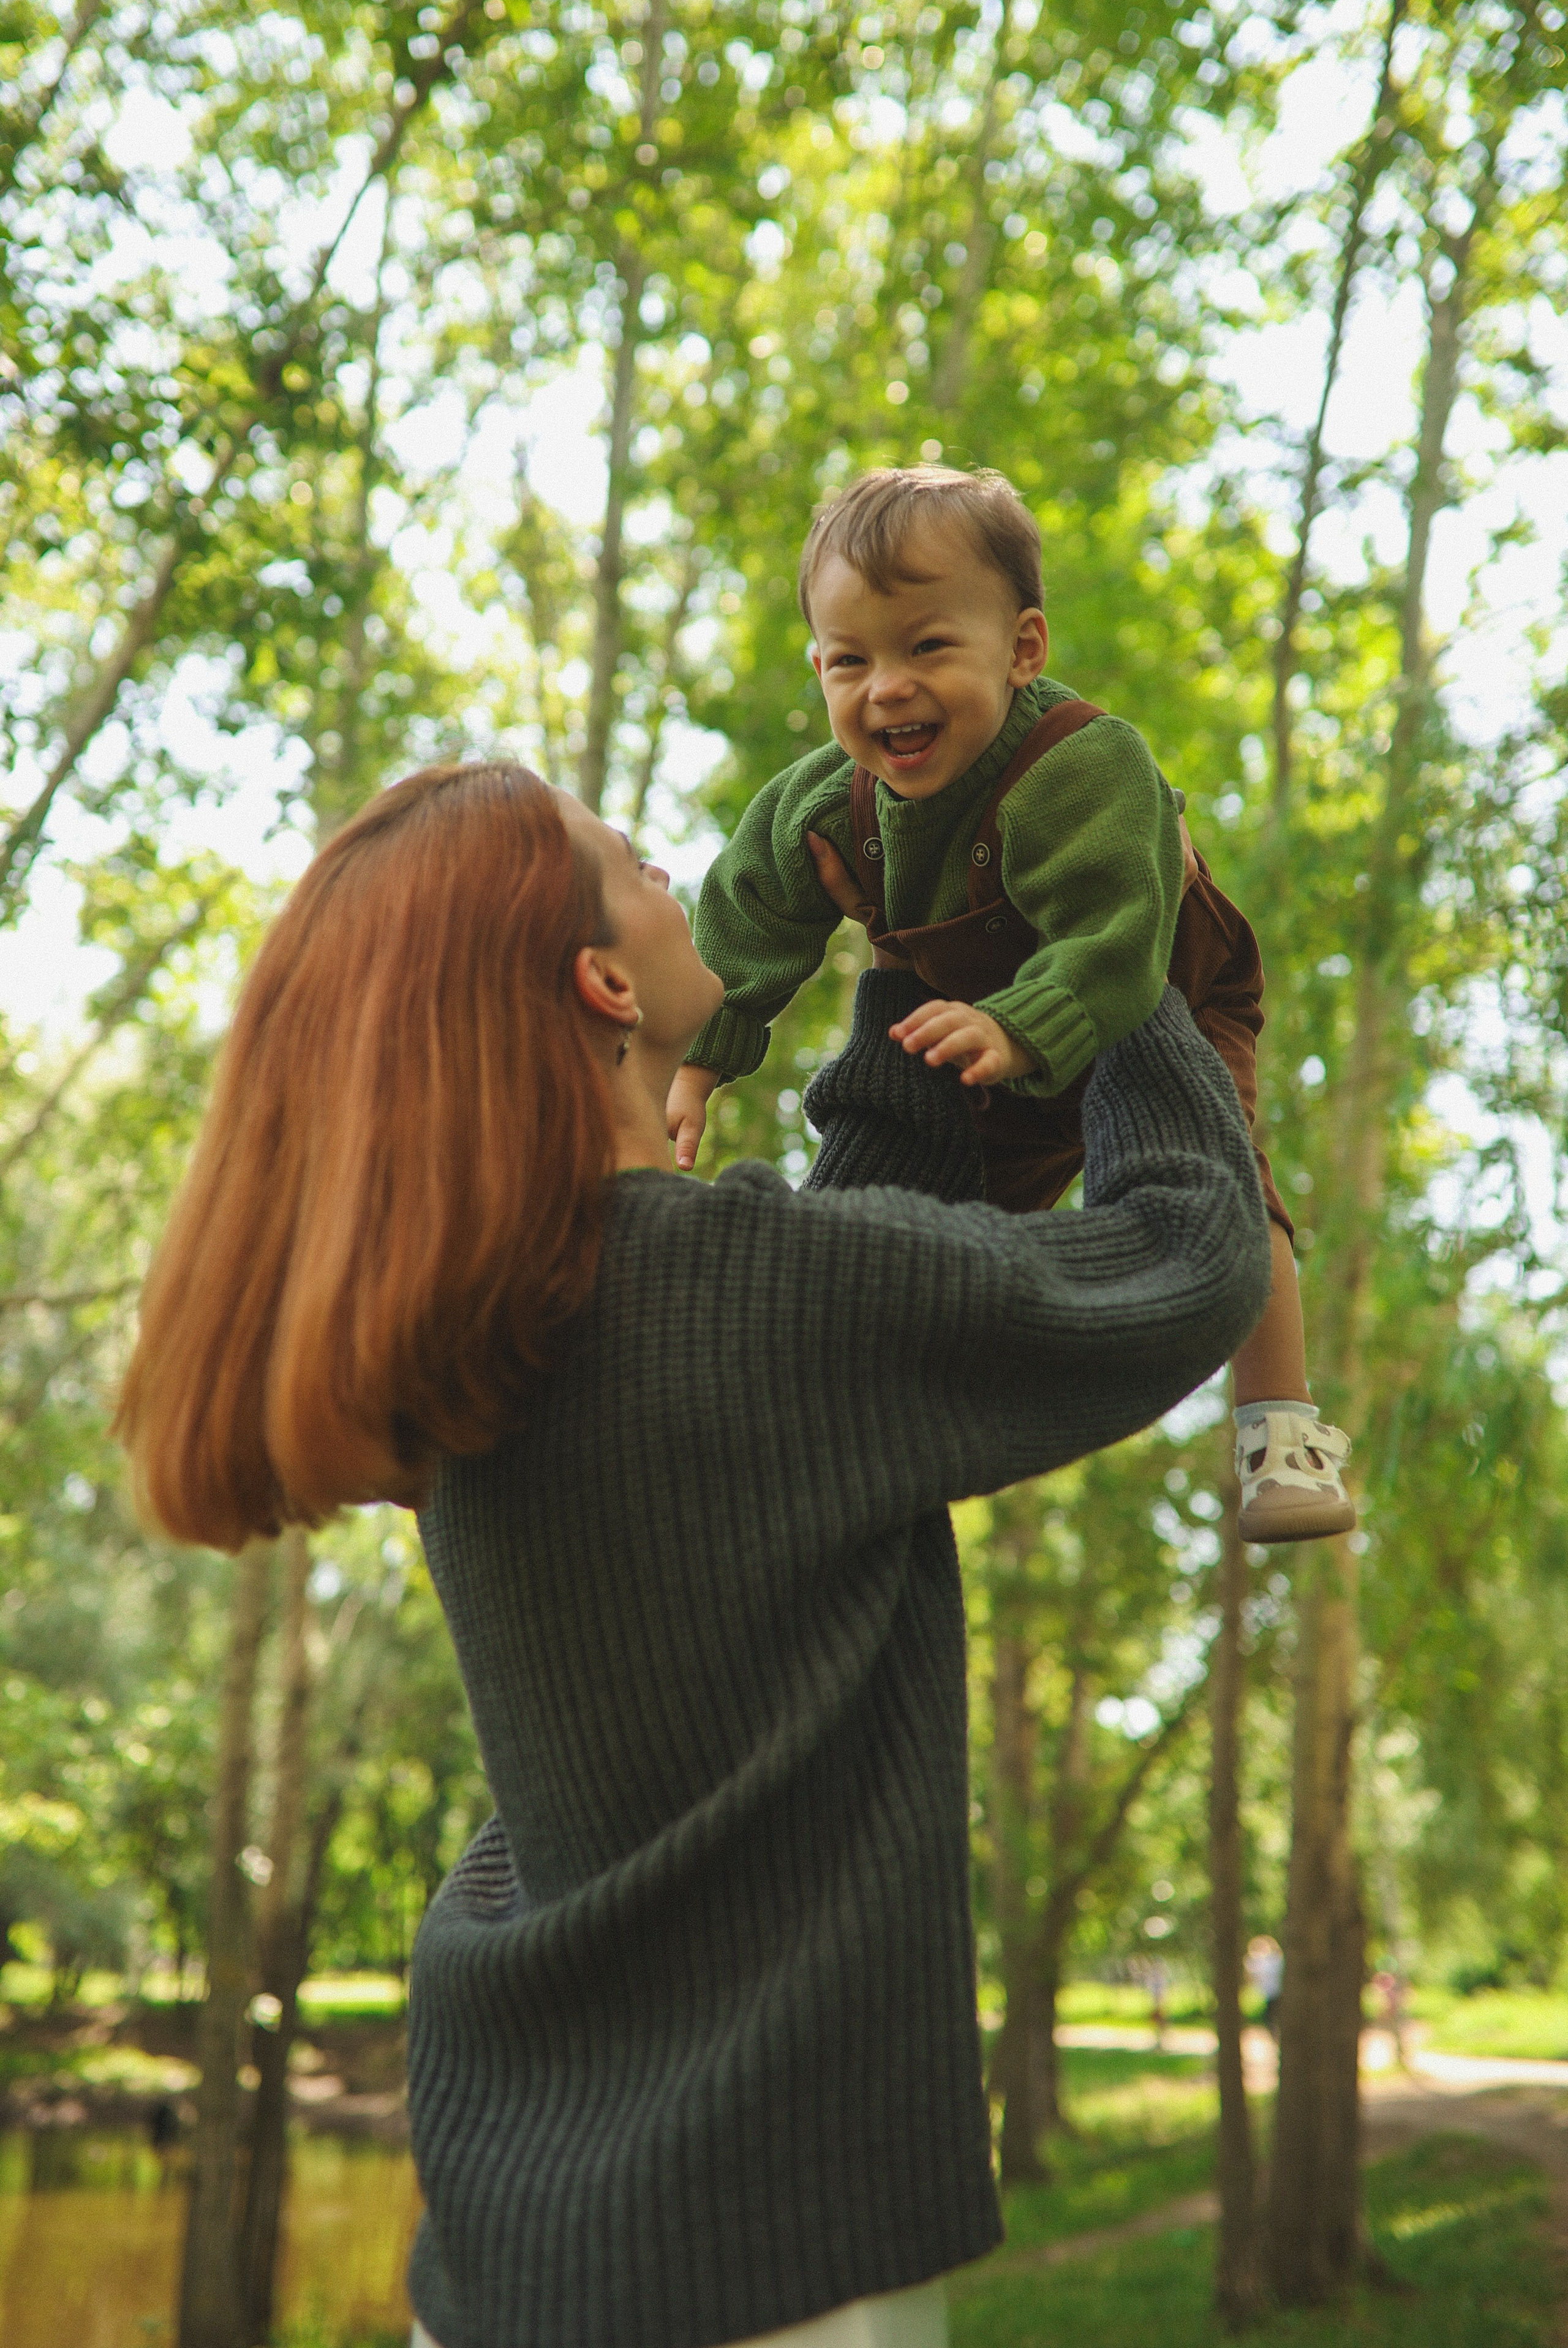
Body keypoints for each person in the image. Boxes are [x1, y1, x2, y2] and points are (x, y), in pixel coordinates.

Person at [115, 759, 1269, 2348]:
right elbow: (1191, 1256)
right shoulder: (735, 1296)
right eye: (646, 865)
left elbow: (834, 1322)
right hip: (768, 2271)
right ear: (602, 981)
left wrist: (913, 973)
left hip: (510, 2251)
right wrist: (1115, 935)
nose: (691, 878)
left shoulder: (484, 1350)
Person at [666, 466, 1354, 1546]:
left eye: (927, 647)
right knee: (929, 1212)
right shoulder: (828, 802)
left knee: (1225, 1172)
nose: (885, 687)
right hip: (981, 1031)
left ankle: (1280, 1423)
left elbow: (1115, 940)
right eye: (852, 661)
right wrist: (697, 1061)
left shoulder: (1079, 765)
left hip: (1145, 995)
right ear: (818, 668)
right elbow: (749, 917)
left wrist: (1019, 1023)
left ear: (1022, 649)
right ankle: (868, 1412)